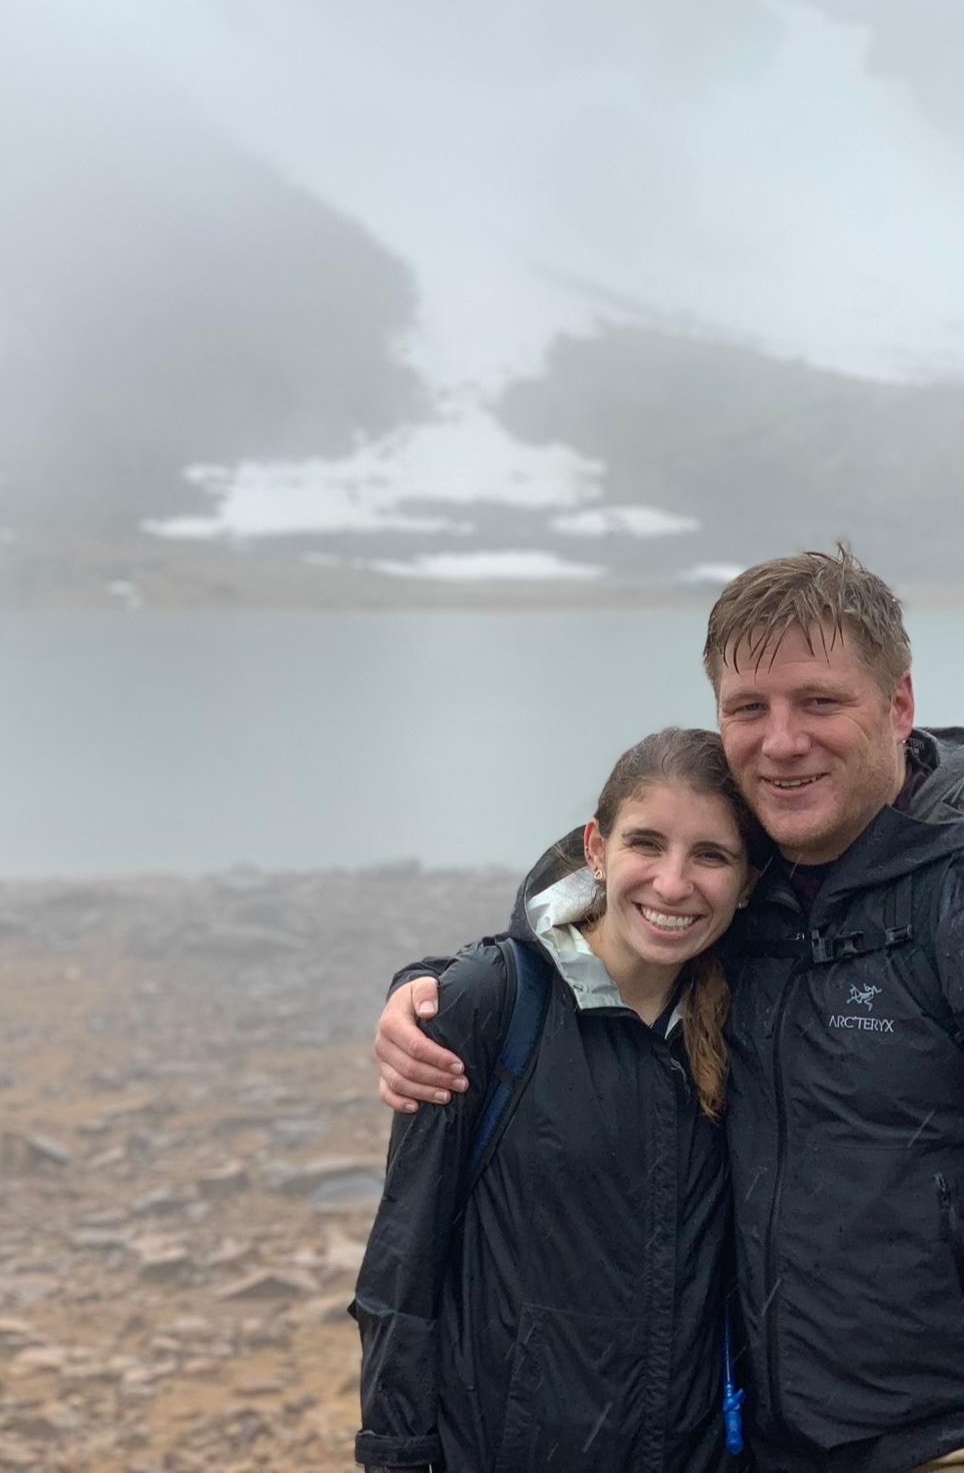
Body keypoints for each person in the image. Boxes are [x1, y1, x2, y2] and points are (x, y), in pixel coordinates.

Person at [371, 548, 964, 1473]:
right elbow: (604, 928)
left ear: (898, 706)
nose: (782, 740)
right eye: (748, 709)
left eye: (820, 702)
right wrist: (437, 987)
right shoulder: (752, 898)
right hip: (763, 1441)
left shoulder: (946, 891)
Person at [355, 726, 763, 1473]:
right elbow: (399, 1273)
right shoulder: (489, 1002)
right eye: (646, 843)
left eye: (711, 855)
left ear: (746, 880)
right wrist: (397, 1457)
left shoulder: (749, 1023)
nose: (673, 884)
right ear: (596, 849)